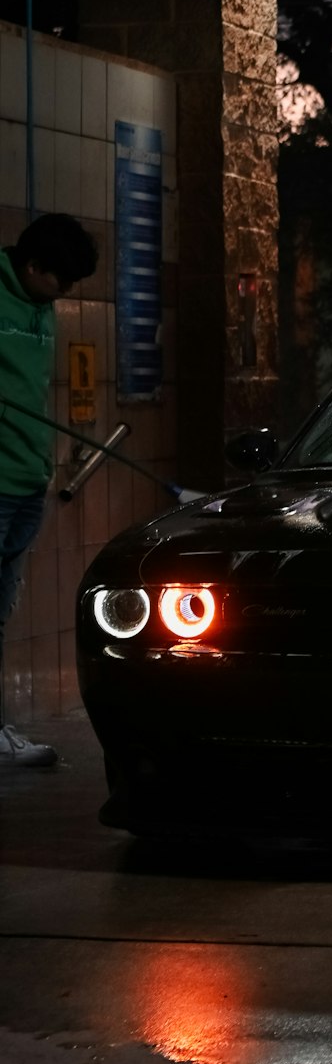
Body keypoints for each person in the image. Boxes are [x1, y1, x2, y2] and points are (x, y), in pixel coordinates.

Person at [0, 213, 99, 764]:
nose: (64, 294)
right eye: (60, 281)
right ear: (34, 265)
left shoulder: (43, 309)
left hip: (26, 482)